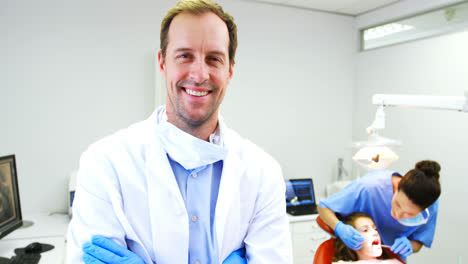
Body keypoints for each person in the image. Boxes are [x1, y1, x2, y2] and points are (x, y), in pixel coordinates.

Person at [66, 0, 293, 263]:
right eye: (185, 56)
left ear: (230, 70)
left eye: (214, 59)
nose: (199, 74)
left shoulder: (263, 172)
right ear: (162, 63)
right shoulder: (105, 163)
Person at [318, 160, 441, 262]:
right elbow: (323, 207)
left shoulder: (429, 203)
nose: (397, 215)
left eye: (409, 214)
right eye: (398, 204)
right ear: (397, 185)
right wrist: (339, 227)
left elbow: (419, 241)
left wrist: (410, 245)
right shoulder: (369, 187)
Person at [333, 212, 403, 264]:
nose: (375, 233)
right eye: (365, 230)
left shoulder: (394, 262)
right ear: (350, 240)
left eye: (375, 229)